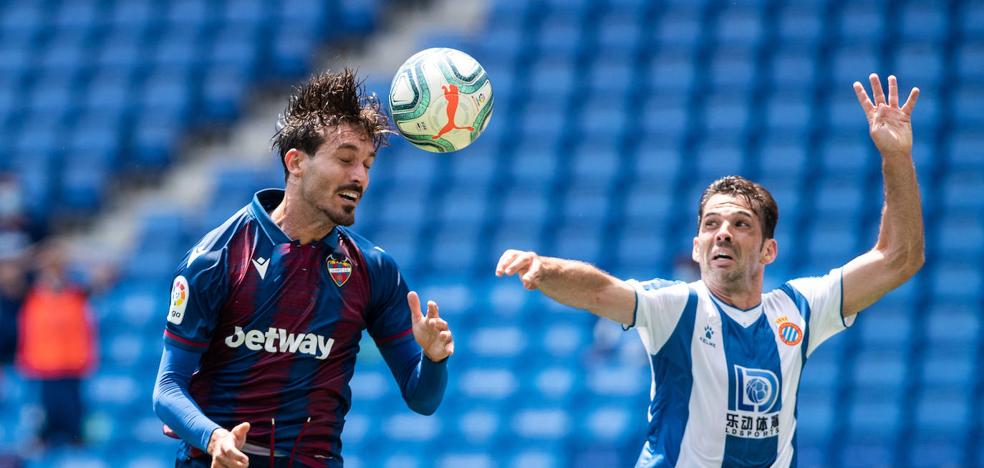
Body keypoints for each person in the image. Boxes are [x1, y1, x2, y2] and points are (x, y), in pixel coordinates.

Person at [497, 74, 922, 467]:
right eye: (711, 225)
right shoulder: (676, 307)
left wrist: (895, 156)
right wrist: (544, 267)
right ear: (696, 247)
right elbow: (599, 291)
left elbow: (899, 258)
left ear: (768, 250)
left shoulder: (801, 309)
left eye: (741, 224)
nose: (723, 233)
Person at [153, 70, 455, 467]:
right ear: (295, 162)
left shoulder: (374, 270)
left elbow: (423, 400)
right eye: (346, 159)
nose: (360, 176)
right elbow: (167, 388)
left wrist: (433, 359)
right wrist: (213, 438)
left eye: (367, 163)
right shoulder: (216, 257)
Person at [16, 241, 98, 447]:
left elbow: (103, 275)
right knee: (43, 429)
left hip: (72, 369)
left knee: (74, 430)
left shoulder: (77, 294)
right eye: (48, 268)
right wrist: (35, 258)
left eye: (57, 267)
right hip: (42, 371)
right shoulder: (29, 295)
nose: (52, 273)